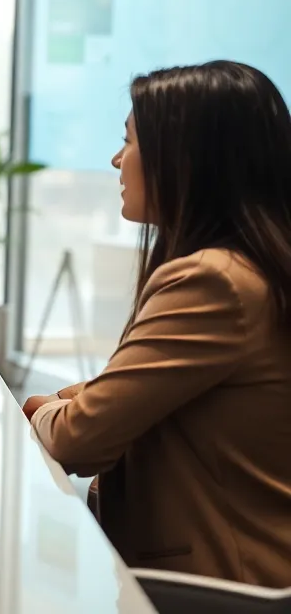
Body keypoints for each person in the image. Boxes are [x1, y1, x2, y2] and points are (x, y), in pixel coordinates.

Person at [23, 61, 291, 587]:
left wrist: (43, 409)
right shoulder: (248, 266)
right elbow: (144, 390)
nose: (117, 159)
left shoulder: (214, 281)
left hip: (218, 584)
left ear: (189, 159)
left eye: (130, 140)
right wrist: (90, 397)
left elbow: (79, 439)